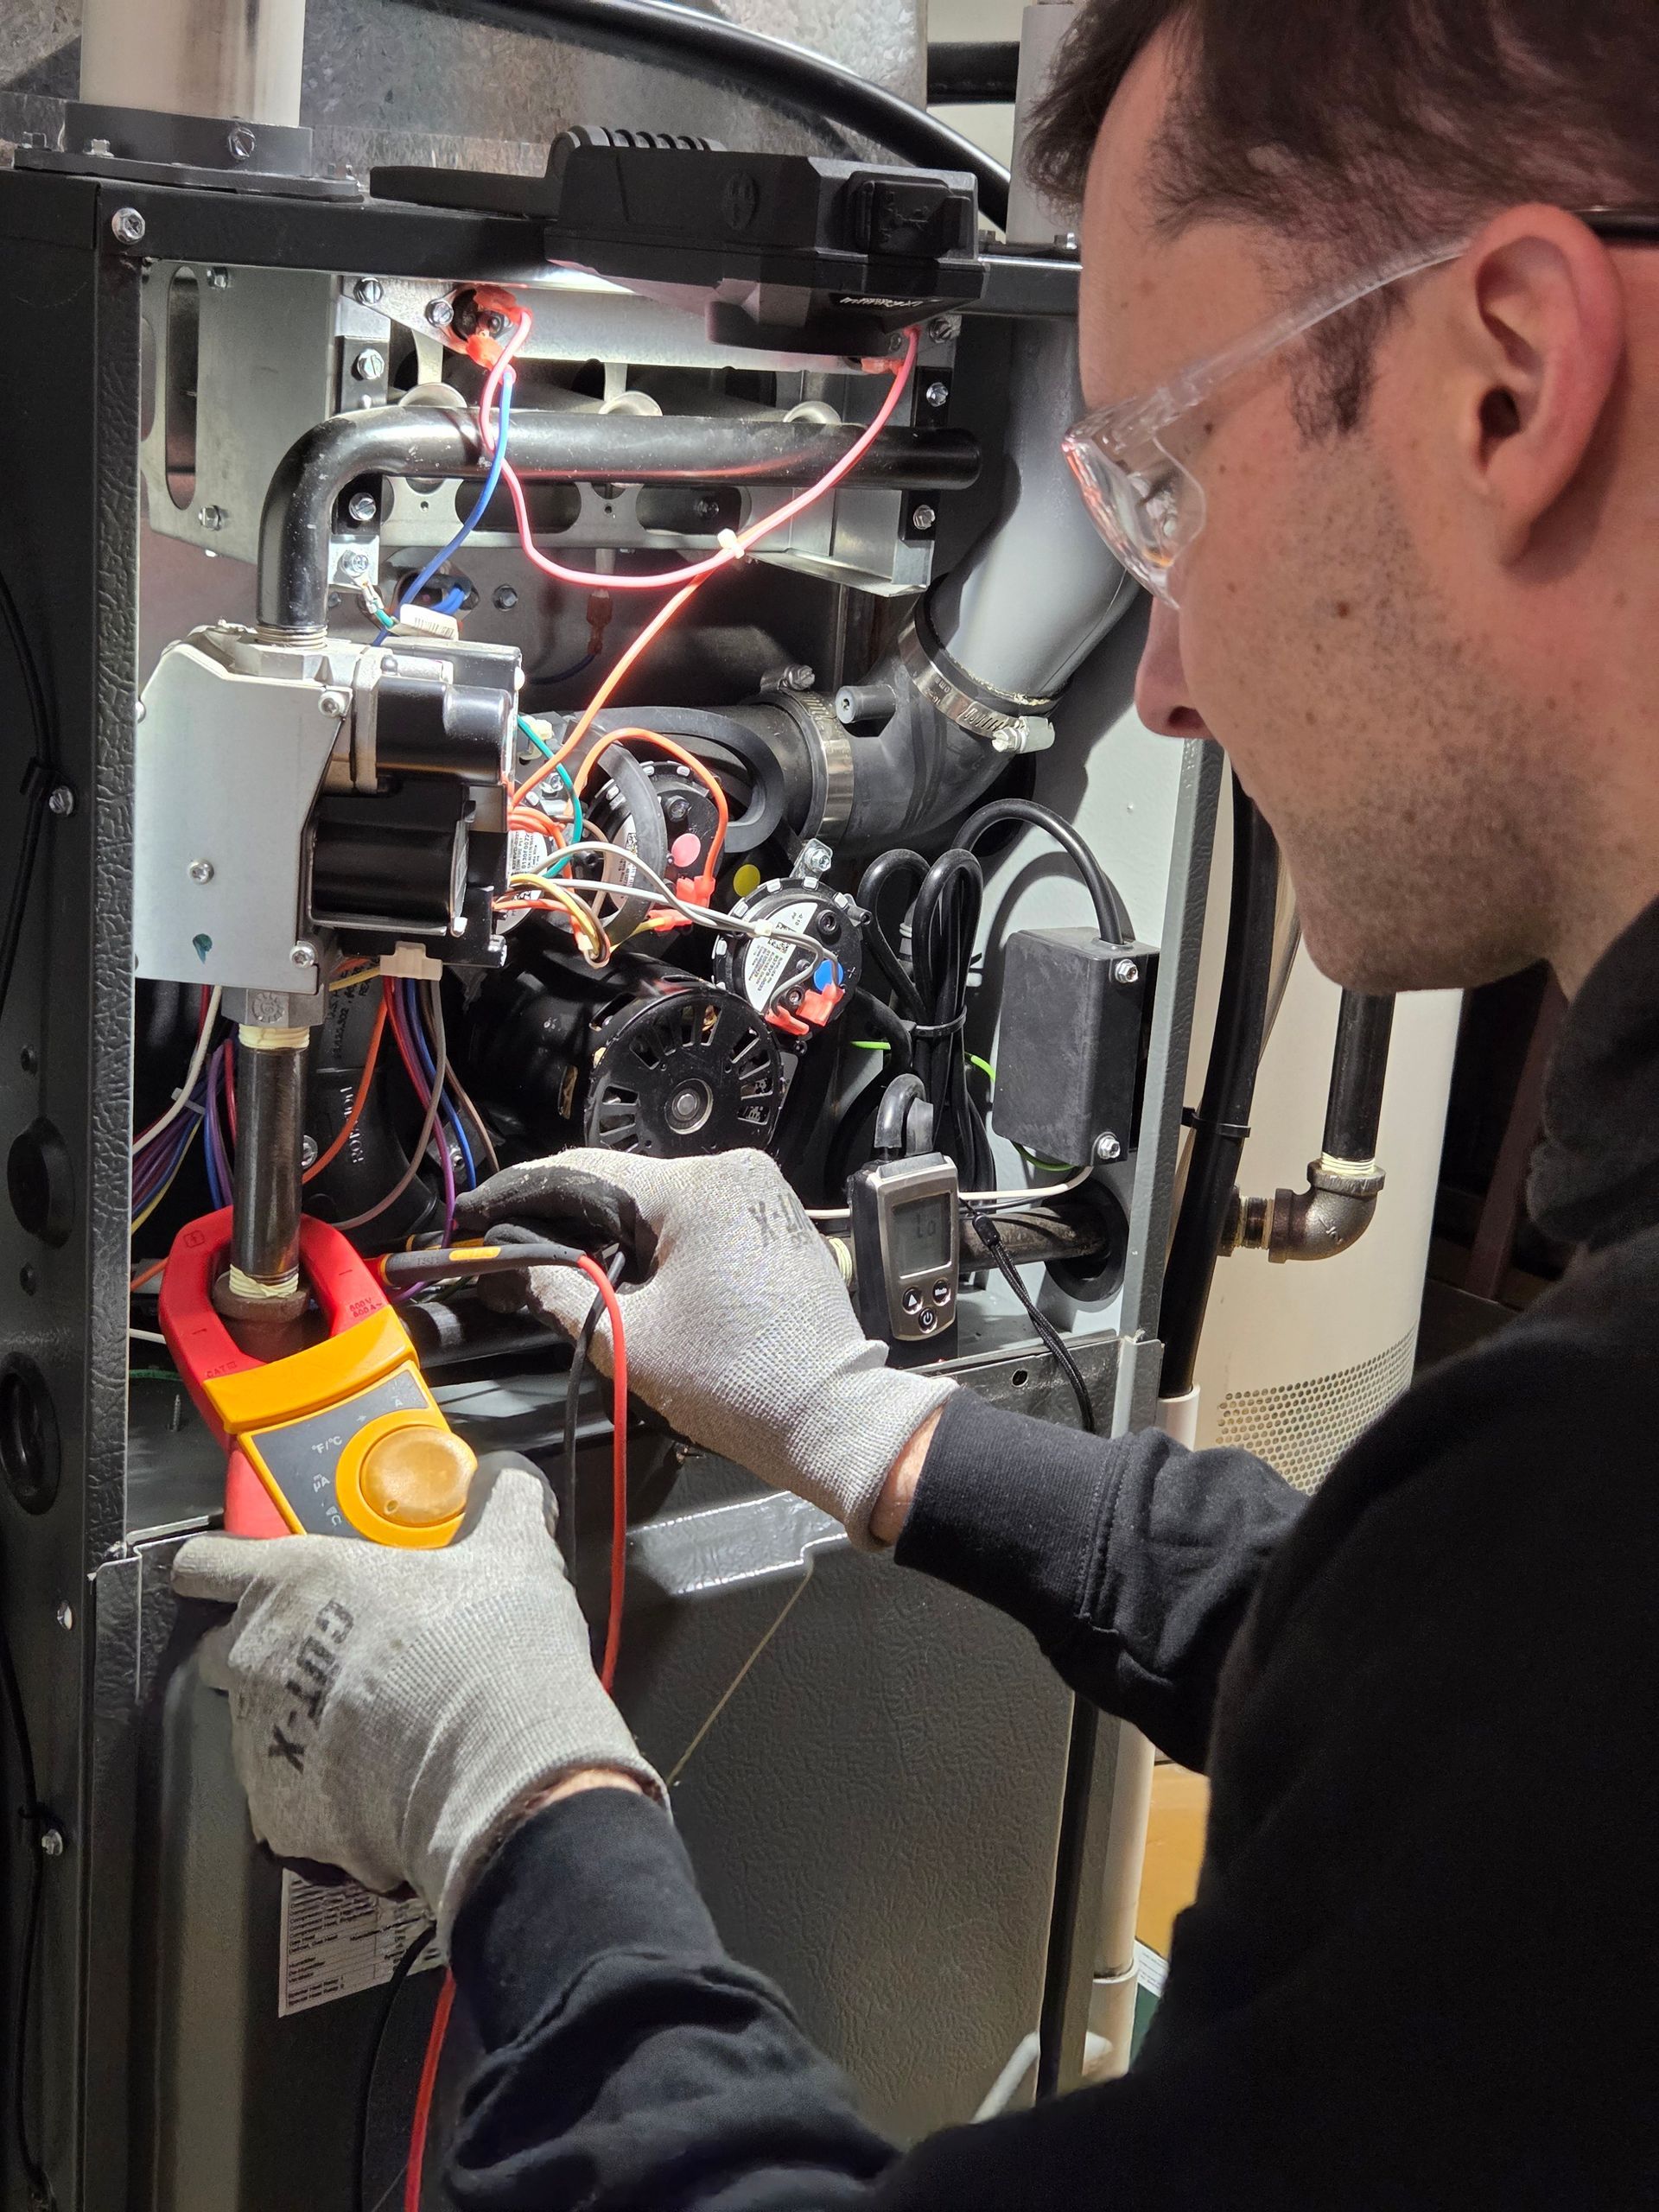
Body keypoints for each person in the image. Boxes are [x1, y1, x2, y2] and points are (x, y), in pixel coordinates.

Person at [174, 0, 1659, 2201]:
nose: (1151, 681)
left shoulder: (1590, 1491)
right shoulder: (1544, 1540)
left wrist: (526, 1811)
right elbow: (1429, 1706)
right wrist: (883, 1425)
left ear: (1508, 377)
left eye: (1167, 478)